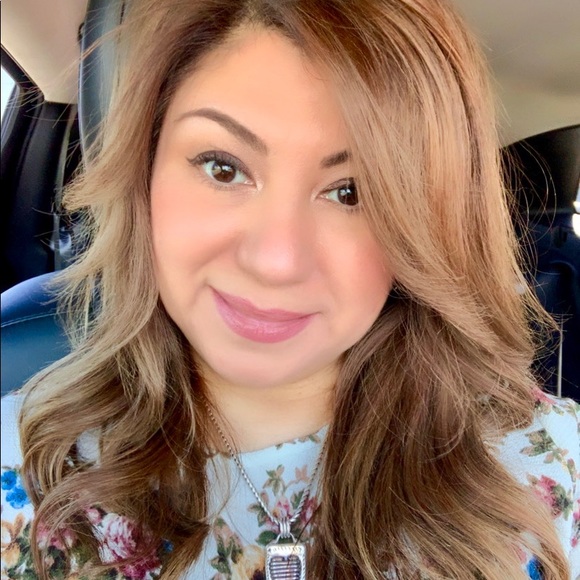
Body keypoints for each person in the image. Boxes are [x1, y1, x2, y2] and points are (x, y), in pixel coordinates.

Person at [1, 0, 578, 578]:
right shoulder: (23, 466)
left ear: (426, 225)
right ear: (144, 174)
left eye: (352, 193)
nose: (276, 261)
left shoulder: (547, 463)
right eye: (222, 167)